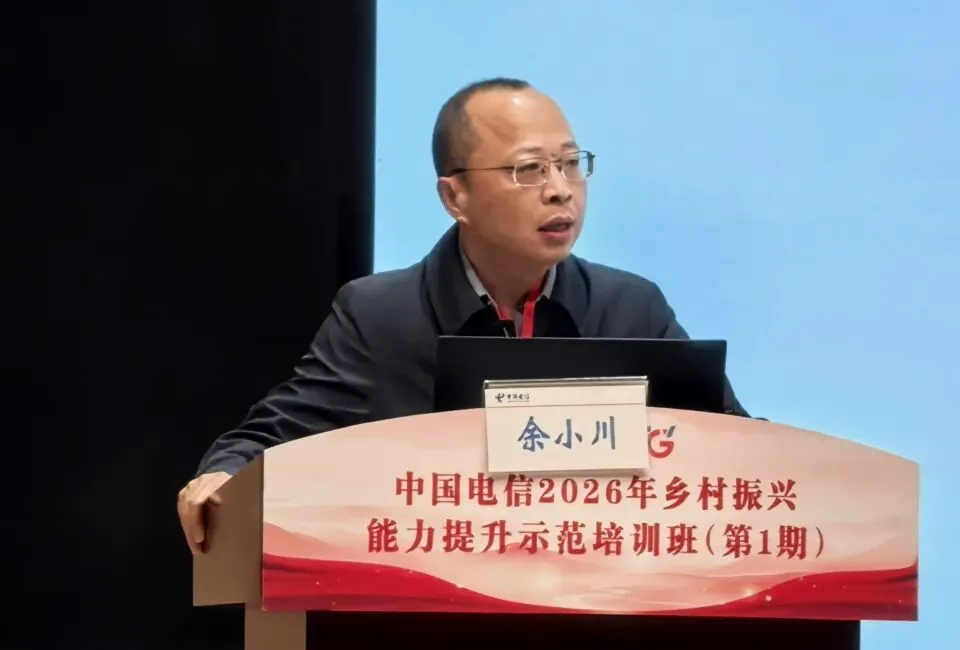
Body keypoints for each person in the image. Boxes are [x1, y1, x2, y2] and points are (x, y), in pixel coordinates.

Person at [177, 77, 748, 553]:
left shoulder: (630, 307)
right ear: (455, 198)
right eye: (529, 170)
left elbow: (736, 442)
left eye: (571, 164)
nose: (561, 191)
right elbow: (271, 437)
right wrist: (225, 475)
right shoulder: (382, 319)